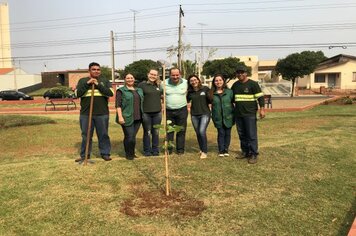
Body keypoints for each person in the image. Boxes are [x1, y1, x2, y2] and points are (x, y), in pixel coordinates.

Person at [75, 62, 113, 163]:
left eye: (98, 69)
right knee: (86, 135)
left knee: (103, 134)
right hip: (86, 114)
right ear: (89, 70)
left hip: (102, 113)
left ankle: (105, 153)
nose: (96, 71)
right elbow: (77, 93)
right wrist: (88, 84)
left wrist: (98, 84)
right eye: (94, 69)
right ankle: (85, 155)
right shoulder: (83, 81)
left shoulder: (104, 80)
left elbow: (110, 93)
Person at [231, 67, 265, 164]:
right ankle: (245, 152)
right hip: (238, 114)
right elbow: (231, 99)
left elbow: (260, 98)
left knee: (251, 135)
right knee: (242, 134)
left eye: (242, 72)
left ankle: (254, 153)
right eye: (238, 72)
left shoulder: (253, 84)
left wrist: (262, 109)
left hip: (249, 114)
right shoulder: (235, 85)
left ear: (246, 73)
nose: (240, 74)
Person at [116, 73, 144, 160]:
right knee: (130, 136)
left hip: (138, 117)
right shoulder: (121, 91)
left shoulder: (139, 90)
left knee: (131, 137)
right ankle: (129, 154)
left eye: (131, 78)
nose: (130, 79)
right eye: (128, 78)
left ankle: (131, 153)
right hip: (126, 117)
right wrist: (120, 117)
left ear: (134, 79)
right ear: (124, 79)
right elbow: (118, 105)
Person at [138, 69, 162, 156]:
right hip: (146, 113)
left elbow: (162, 95)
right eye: (151, 74)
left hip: (157, 113)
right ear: (148, 74)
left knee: (156, 132)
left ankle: (155, 150)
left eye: (155, 75)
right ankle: (147, 150)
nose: (153, 76)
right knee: (147, 132)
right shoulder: (142, 85)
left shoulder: (159, 85)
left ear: (157, 76)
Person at [209, 74, 235, 157]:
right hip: (218, 117)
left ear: (223, 81)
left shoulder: (230, 92)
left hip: (229, 117)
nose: (218, 82)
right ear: (214, 82)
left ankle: (226, 149)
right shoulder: (211, 93)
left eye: (220, 80)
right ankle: (221, 150)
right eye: (216, 80)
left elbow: (234, 102)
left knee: (227, 133)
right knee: (221, 133)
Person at [187, 75, 211, 159]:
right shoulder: (190, 92)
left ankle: (204, 151)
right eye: (191, 80)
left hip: (205, 114)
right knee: (198, 133)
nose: (194, 82)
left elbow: (211, 99)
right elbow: (186, 100)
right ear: (190, 82)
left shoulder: (205, 89)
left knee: (201, 131)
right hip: (194, 115)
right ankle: (201, 149)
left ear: (198, 80)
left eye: (195, 79)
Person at [165, 68, 188, 155]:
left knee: (181, 131)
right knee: (169, 131)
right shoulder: (164, 83)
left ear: (180, 74)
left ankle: (180, 150)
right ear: (170, 75)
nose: (175, 77)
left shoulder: (185, 82)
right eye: (173, 75)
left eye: (177, 75)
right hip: (168, 111)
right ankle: (169, 150)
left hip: (182, 110)